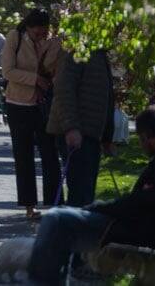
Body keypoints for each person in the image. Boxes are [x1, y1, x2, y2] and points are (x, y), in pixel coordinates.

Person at [27, 105, 155, 286]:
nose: (141, 146)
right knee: (62, 218)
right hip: (148, 227)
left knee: (56, 220)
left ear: (147, 136)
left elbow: (142, 204)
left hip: (150, 233)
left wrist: (99, 208)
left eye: (141, 140)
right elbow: (145, 202)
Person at [1, 7, 62, 220]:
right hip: (17, 103)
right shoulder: (15, 38)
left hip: (44, 104)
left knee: (51, 154)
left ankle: (55, 204)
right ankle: (29, 205)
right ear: (28, 27)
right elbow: (7, 71)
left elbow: (57, 68)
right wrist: (34, 79)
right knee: (23, 155)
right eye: (37, 33)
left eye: (44, 33)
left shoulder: (54, 41)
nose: (41, 36)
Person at [47, 46, 114, 208]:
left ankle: (78, 229)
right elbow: (64, 90)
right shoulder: (77, 49)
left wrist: (107, 137)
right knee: (80, 194)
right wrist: (71, 128)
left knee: (86, 193)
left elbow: (107, 98)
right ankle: (74, 231)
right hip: (77, 132)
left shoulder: (100, 53)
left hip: (91, 133)